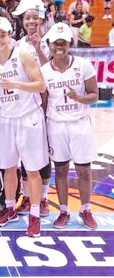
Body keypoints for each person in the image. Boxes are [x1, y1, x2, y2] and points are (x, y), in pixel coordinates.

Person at [0, 17, 47, 238]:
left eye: (2, 35)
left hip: (28, 117)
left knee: (32, 169)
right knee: (9, 167)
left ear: (10, 34)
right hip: (6, 118)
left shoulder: (22, 53)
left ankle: (34, 216)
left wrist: (16, 84)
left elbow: (40, 84)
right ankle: (10, 208)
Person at [41, 22, 98, 230]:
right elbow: (44, 101)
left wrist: (79, 98)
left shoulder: (83, 65)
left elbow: (95, 95)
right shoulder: (44, 70)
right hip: (56, 125)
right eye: (55, 43)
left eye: (63, 43)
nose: (59, 47)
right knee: (61, 170)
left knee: (84, 169)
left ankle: (85, 209)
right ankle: (64, 211)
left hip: (80, 124)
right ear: (49, 44)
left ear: (70, 43)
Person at [13, 0, 52, 217]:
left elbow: (51, 71)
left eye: (34, 18)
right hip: (27, 104)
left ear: (41, 20)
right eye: (27, 18)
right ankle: (27, 197)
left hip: (48, 103)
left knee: (43, 154)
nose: (30, 22)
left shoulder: (50, 41)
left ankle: (43, 198)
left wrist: (39, 49)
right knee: (25, 151)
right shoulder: (18, 45)